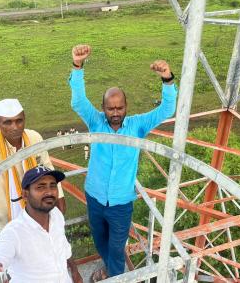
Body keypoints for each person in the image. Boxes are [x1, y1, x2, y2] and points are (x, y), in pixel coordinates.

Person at [69, 44, 178, 279]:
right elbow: (78, 102)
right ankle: (108, 269)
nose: (115, 112)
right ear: (103, 108)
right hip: (95, 197)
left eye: (120, 107)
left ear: (126, 107)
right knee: (100, 240)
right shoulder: (96, 121)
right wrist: (78, 66)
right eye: (110, 108)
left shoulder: (137, 125)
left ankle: (114, 277)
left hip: (120, 203)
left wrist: (167, 79)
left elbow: (167, 109)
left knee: (117, 248)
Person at [0, 99, 66, 231]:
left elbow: (48, 170)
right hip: (8, 226)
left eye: (19, 121)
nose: (15, 127)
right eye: (7, 122)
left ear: (24, 118)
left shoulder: (34, 138)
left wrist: (60, 203)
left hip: (41, 218)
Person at [0, 166, 82, 283]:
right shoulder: (13, 233)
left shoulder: (56, 215)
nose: (49, 192)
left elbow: (64, 247)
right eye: (40, 187)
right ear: (25, 194)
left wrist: (75, 271)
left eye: (53, 186)